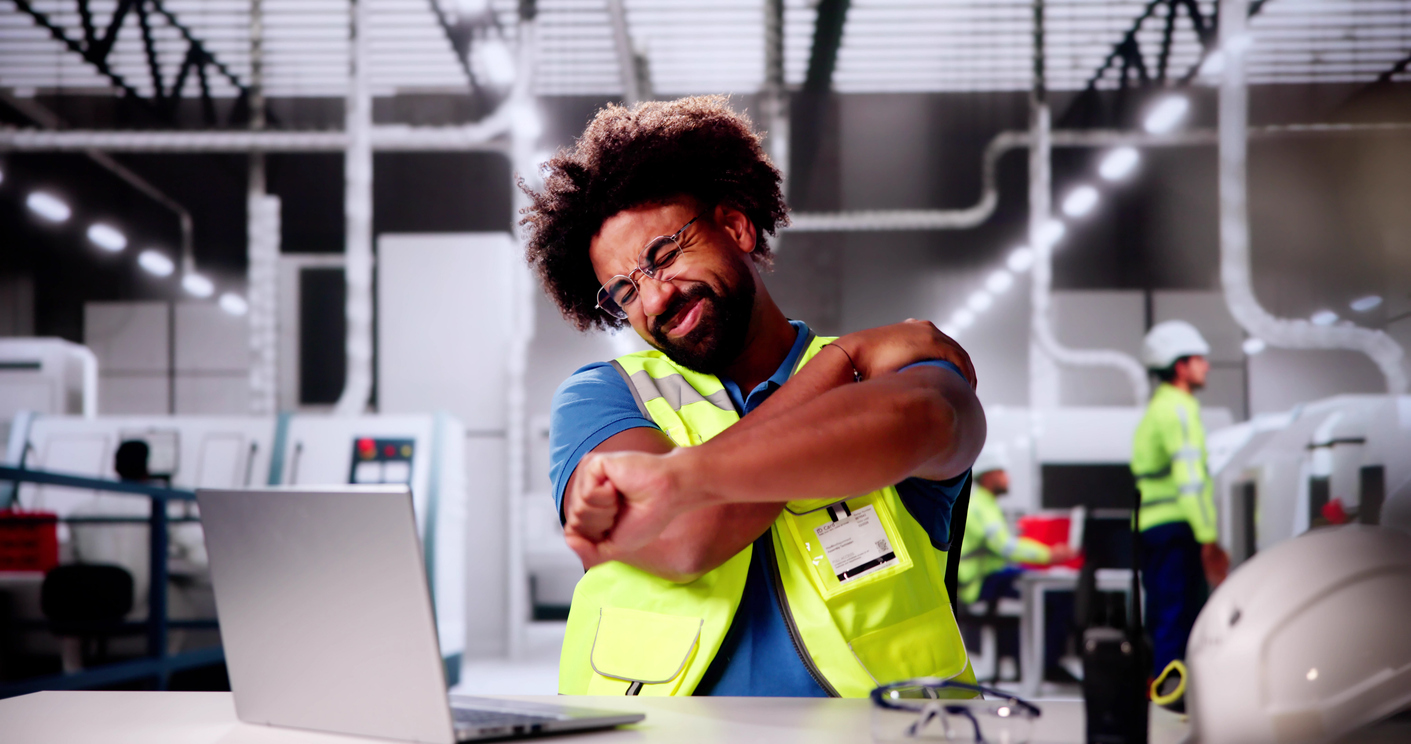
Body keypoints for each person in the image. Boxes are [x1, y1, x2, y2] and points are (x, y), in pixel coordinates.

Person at [520, 96, 988, 697]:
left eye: (662, 256)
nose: (656, 299)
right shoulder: (604, 395)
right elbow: (687, 537)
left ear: (736, 226)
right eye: (624, 293)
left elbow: (939, 420)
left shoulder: (898, 369)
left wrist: (685, 475)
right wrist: (844, 362)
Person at [1132, 320, 1231, 677]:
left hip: (1153, 527)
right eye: (1199, 358)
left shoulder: (1156, 409)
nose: (1206, 365)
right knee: (1181, 618)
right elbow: (1190, 481)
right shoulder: (1179, 408)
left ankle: (1160, 694)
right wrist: (1208, 537)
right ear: (1180, 366)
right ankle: (1172, 701)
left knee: (1162, 616)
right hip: (1177, 527)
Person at [957, 445, 1075, 681]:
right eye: (1003, 473)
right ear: (989, 476)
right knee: (1053, 597)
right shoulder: (981, 505)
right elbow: (1006, 547)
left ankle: (1039, 663)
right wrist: (1048, 555)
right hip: (978, 584)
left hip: (985, 579)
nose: (1007, 478)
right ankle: (1046, 667)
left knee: (1045, 594)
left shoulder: (983, 504)